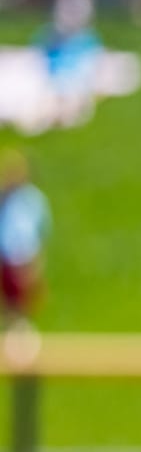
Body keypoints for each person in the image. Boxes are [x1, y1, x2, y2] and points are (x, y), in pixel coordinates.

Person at [0, 149, 51, 364]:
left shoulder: (33, 200)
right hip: (5, 257)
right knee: (8, 303)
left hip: (24, 256)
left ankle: (23, 347)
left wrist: (37, 261)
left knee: (23, 303)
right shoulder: (3, 199)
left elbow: (41, 230)